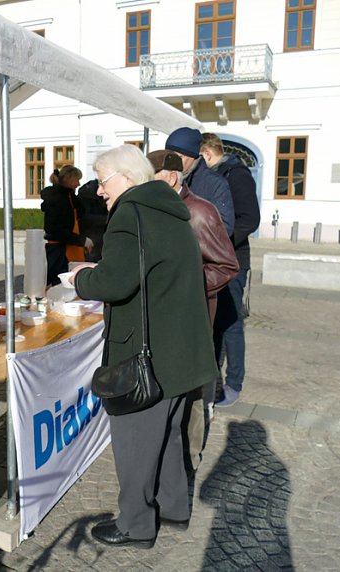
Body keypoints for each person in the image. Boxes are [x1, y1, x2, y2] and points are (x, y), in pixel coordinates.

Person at [68, 145, 217, 548]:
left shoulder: (130, 214)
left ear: (128, 178)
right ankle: (172, 507)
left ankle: (135, 526)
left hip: (146, 354)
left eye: (102, 180)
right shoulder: (169, 209)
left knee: (135, 444)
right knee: (168, 436)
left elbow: (114, 283)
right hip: (181, 350)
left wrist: (80, 279)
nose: (98, 190)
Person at [200, 133, 261, 407]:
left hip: (234, 260)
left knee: (232, 323)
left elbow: (250, 219)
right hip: (213, 260)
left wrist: (219, 243)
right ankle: (212, 378)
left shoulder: (237, 175)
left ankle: (234, 382)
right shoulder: (210, 176)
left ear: (208, 155)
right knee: (214, 322)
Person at [146, 150, 238, 324]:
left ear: (171, 178)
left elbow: (226, 266)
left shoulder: (200, 212)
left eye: (149, 179)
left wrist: (182, 286)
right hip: (160, 311)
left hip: (189, 316)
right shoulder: (153, 208)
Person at [165, 127, 235, 235]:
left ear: (192, 156)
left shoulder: (216, 183)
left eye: (179, 157)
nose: (173, 163)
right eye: (170, 157)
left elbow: (225, 227)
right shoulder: (167, 178)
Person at [41, 165, 93, 285]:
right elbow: (55, 230)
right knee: (60, 285)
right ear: (68, 180)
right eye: (77, 180)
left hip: (69, 248)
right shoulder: (57, 199)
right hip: (59, 253)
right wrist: (81, 240)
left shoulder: (69, 196)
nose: (79, 183)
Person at [74, 179, 108, 262]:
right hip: (91, 238)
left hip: (97, 237)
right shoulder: (87, 196)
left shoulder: (88, 194)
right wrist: (108, 219)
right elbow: (84, 218)